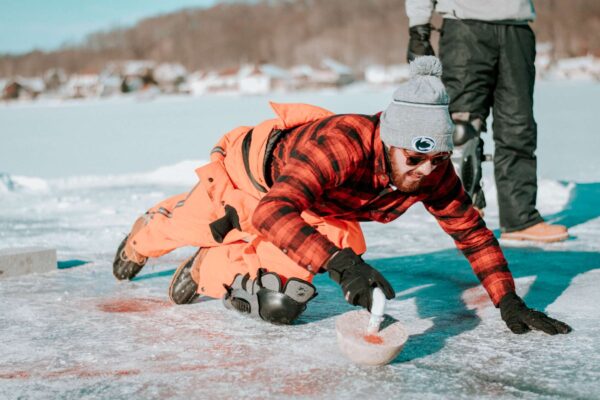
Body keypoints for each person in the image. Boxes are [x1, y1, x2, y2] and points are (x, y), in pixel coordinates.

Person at [112, 56, 570, 334]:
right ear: (390, 141)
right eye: (414, 159)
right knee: (197, 225)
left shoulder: (432, 170)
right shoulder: (342, 143)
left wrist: (507, 299)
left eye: (437, 159)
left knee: (280, 302)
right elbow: (274, 210)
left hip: (317, 209)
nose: (425, 172)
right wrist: (340, 263)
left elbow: (471, 234)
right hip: (248, 180)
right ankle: (146, 233)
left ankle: (209, 265)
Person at [406, 0, 569, 243]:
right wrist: (419, 27)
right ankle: (464, 214)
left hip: (516, 25)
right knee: (462, 127)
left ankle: (520, 219)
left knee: (518, 126)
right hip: (464, 27)